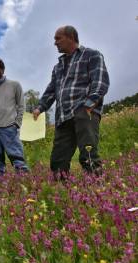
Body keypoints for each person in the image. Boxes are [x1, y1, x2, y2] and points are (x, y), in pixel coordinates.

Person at [33, 25, 109, 179]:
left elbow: (100, 82)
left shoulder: (91, 55)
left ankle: (97, 189)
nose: (55, 43)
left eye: (58, 38)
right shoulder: (58, 66)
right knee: (58, 160)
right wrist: (40, 108)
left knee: (88, 154)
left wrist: (88, 106)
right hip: (62, 117)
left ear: (71, 38)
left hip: (83, 111)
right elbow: (51, 90)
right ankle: (62, 195)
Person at [0, 58, 29, 177]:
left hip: (9, 127)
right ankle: (0, 186)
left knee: (17, 157)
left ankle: (26, 182)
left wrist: (17, 124)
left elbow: (22, 106)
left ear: (2, 69)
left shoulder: (14, 85)